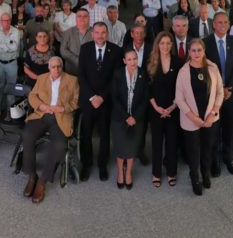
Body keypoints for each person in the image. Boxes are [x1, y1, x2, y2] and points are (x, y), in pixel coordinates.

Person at [22, 56, 79, 204]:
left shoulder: (72, 80)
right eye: (53, 67)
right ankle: (32, 176)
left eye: (59, 66)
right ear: (49, 68)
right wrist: (41, 106)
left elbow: (76, 101)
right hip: (42, 114)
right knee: (27, 135)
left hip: (60, 117)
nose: (56, 69)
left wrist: (63, 108)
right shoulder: (41, 78)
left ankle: (42, 181)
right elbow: (32, 96)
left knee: (59, 145)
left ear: (62, 66)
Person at [174, 39, 224, 196]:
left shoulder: (212, 68)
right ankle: (195, 177)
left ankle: (206, 173)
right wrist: (193, 117)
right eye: (193, 51)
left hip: (210, 118)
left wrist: (213, 113)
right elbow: (179, 99)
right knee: (194, 151)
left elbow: (220, 92)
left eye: (199, 50)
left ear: (204, 51)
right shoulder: (183, 72)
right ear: (189, 52)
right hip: (191, 120)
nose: (196, 54)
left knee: (207, 148)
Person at [77, 22, 124, 181]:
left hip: (106, 100)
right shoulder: (85, 49)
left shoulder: (116, 51)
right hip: (88, 100)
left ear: (107, 34)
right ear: (92, 34)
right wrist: (92, 97)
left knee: (105, 134)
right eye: (97, 32)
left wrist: (102, 97)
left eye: (103, 32)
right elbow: (81, 76)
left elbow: (116, 78)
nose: (100, 36)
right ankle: (86, 164)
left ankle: (102, 164)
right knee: (86, 134)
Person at [202, 12, 233, 176]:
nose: (223, 25)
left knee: (229, 127)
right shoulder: (206, 43)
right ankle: (214, 161)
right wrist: (219, 90)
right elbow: (203, 70)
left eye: (226, 22)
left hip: (231, 94)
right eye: (219, 22)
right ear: (213, 24)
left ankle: (229, 158)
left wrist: (229, 88)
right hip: (212, 95)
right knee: (213, 129)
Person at [110, 50, 149, 190]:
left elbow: (145, 99)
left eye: (135, 59)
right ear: (124, 61)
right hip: (119, 118)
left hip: (137, 118)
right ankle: (121, 172)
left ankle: (129, 173)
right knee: (120, 147)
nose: (133, 62)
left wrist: (135, 117)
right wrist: (126, 117)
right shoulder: (118, 74)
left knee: (132, 147)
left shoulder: (143, 74)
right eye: (129, 59)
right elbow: (114, 98)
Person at [146, 32, 181, 187]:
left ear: (171, 45)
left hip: (174, 108)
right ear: (157, 45)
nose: (165, 46)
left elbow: (182, 88)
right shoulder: (151, 62)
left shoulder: (178, 62)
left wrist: (173, 106)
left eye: (168, 43)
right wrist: (157, 108)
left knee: (172, 142)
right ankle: (156, 173)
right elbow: (147, 89)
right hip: (156, 110)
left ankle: (171, 172)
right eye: (162, 43)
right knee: (157, 142)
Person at [0, 13, 22, 117]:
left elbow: (14, 48)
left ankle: (10, 111)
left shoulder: (16, 31)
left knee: (11, 87)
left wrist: (1, 45)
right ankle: (0, 108)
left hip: (12, 63)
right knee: (0, 87)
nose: (6, 22)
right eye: (4, 20)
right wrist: (8, 45)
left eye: (8, 20)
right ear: (1, 21)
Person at [59, 8, 91, 75]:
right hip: (72, 70)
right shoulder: (67, 32)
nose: (82, 18)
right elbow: (63, 50)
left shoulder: (96, 32)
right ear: (76, 18)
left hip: (90, 70)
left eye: (85, 16)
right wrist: (76, 60)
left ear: (89, 18)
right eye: (79, 16)